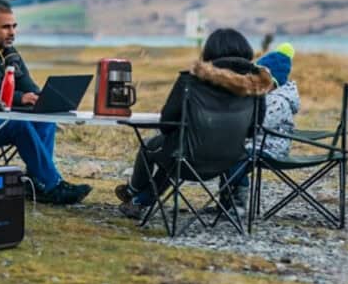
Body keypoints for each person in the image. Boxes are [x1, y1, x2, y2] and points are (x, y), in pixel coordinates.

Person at [114, 28, 272, 219]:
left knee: (159, 148)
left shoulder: (191, 80)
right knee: (178, 151)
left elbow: (167, 123)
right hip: (232, 160)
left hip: (188, 158)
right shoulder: (256, 84)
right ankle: (139, 200)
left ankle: (134, 192)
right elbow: (254, 129)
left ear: (210, 52)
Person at [0, 5, 91, 205]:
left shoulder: (11, 55)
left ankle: (37, 184)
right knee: (19, 126)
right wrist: (19, 98)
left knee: (44, 121)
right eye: (6, 27)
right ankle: (53, 185)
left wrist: (47, 99)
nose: (12, 32)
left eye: (14, 26)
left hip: (0, 123)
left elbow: (31, 88)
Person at [220, 42, 302, 210]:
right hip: (256, 142)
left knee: (238, 156)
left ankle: (239, 203)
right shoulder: (263, 95)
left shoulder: (278, 101)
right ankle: (226, 202)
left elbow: (259, 124)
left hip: (272, 146)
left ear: (274, 82)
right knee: (228, 152)